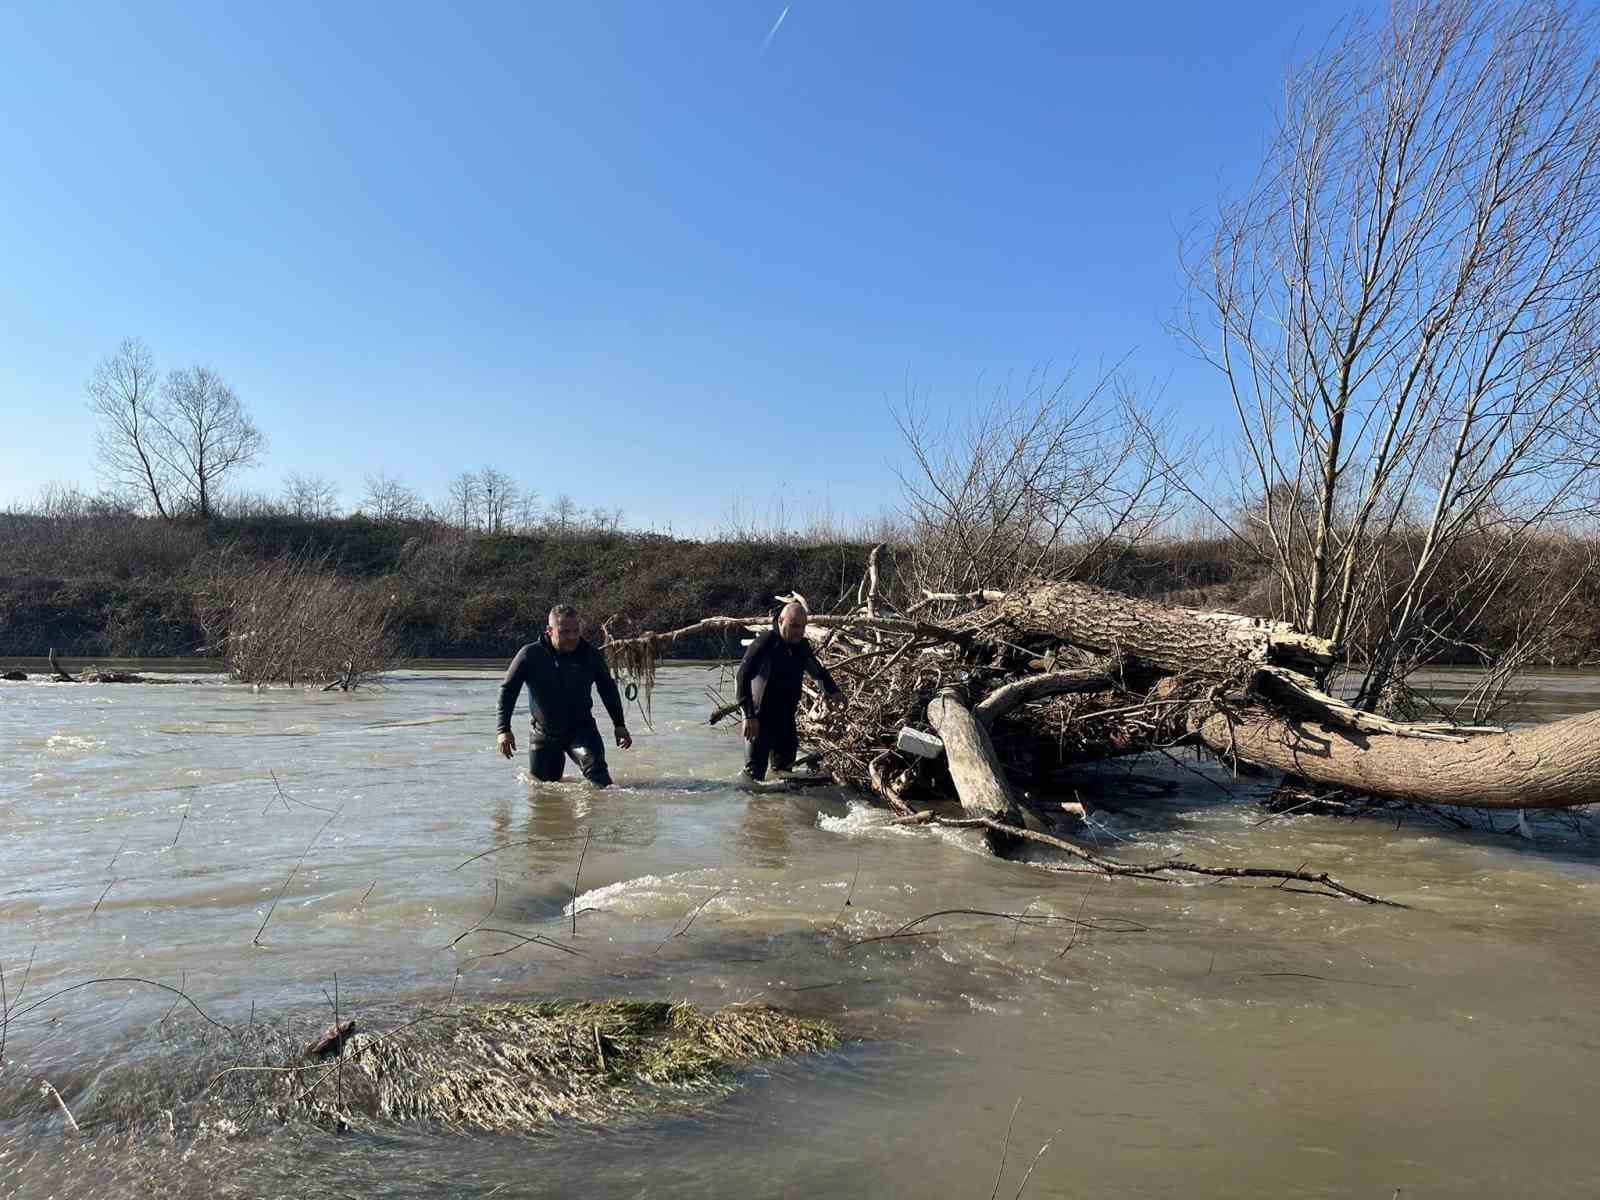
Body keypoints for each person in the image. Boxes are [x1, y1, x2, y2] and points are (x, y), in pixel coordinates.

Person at [497, 604, 632, 786]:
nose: (572, 637)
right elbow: (508, 690)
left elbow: (607, 688)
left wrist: (619, 725)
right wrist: (503, 730)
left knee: (601, 780)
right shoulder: (530, 655)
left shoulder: (589, 655)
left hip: (581, 731)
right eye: (565, 632)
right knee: (543, 789)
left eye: (576, 631)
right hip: (543, 734)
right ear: (549, 630)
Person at [736, 601, 842, 781]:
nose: (798, 631)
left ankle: (780, 809)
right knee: (753, 781)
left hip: (786, 721)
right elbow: (742, 677)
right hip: (760, 722)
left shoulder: (801, 646)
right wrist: (748, 715)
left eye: (802, 627)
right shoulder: (765, 642)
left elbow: (817, 670)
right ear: (781, 621)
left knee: (786, 778)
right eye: (793, 626)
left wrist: (833, 691)